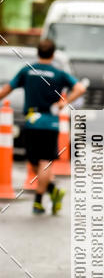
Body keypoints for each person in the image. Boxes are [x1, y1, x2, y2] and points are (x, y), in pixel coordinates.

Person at [0, 38, 86, 214]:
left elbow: (7, 89)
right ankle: (52, 190)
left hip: (32, 120)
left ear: (38, 52)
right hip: (51, 122)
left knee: (33, 161)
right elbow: (80, 88)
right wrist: (65, 102)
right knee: (44, 163)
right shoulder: (58, 73)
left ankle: (39, 202)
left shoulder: (27, 71)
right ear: (53, 54)